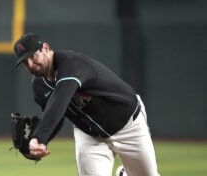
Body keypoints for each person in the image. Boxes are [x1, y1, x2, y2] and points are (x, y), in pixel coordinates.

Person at [13, 33, 159, 176]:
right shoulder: (39, 86)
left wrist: (39, 136)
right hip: (90, 135)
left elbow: (60, 99)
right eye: (25, 62)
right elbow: (55, 115)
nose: (31, 64)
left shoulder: (70, 64)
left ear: (45, 48)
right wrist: (39, 144)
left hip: (127, 125)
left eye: (33, 56)